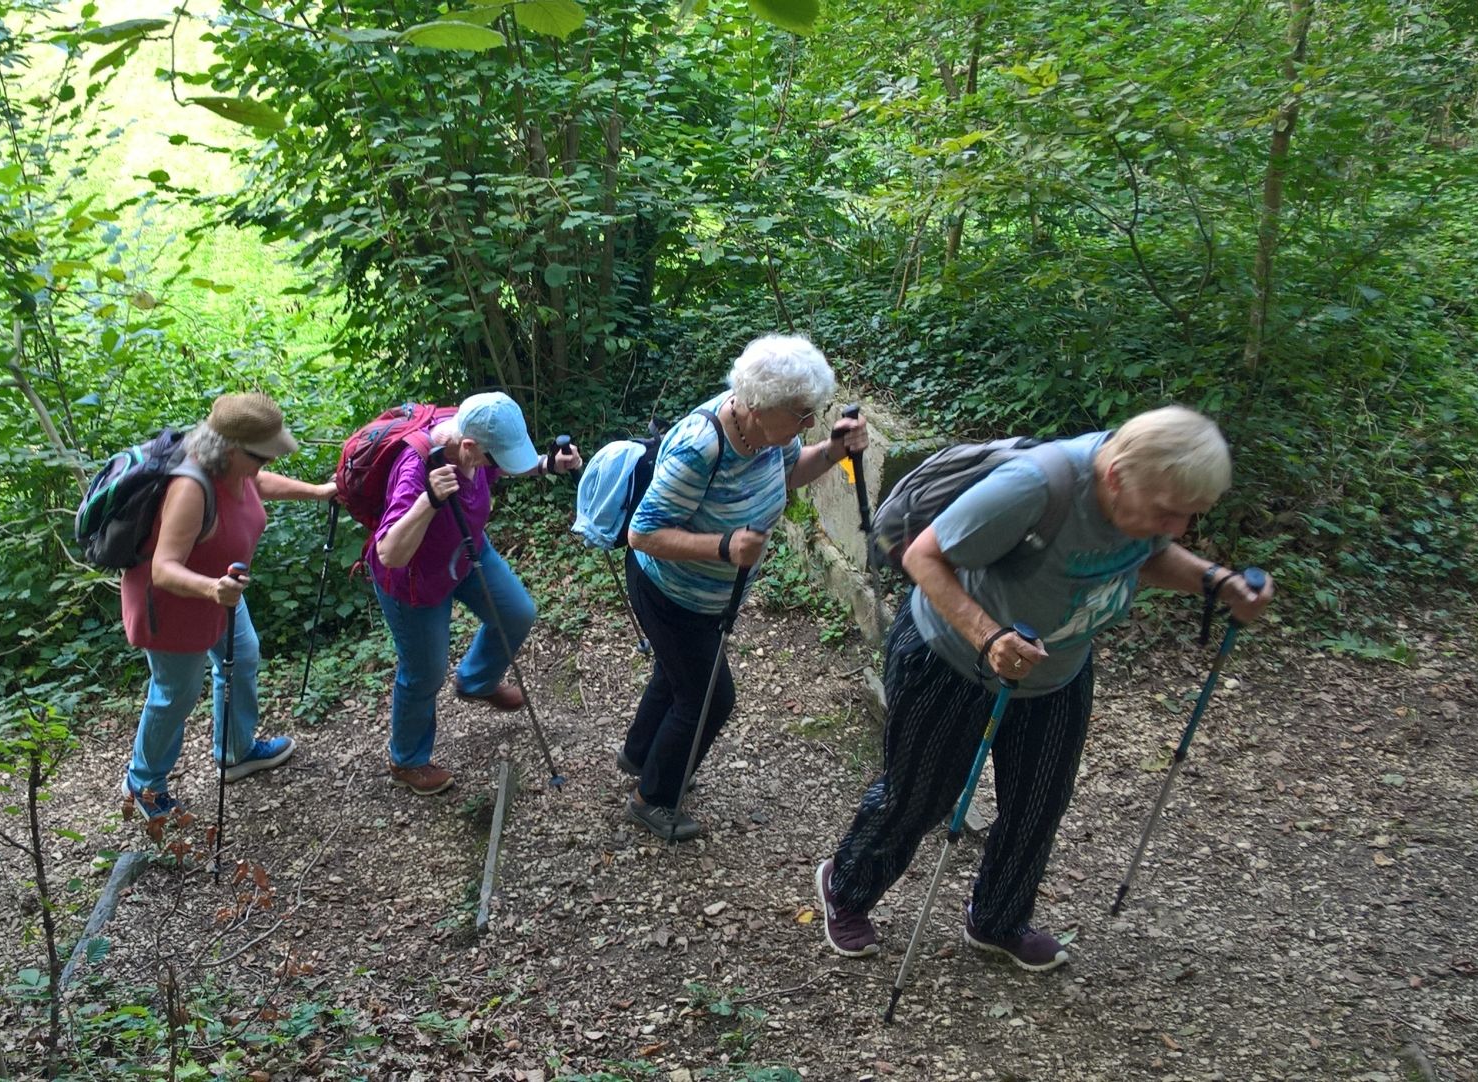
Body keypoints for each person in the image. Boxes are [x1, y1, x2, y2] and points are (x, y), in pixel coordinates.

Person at [814, 405, 1276, 971]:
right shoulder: (1034, 487)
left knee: (1038, 802)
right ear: (1114, 477)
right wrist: (988, 637)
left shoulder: (1142, 504)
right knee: (920, 796)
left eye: (1189, 517)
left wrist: (1215, 582)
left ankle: (998, 919)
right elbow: (923, 556)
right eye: (1168, 513)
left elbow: (1145, 555)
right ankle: (848, 886)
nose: (1177, 529)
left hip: (1057, 669)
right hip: (952, 658)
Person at [620, 334, 867, 841]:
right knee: (710, 697)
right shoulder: (700, 446)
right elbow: (642, 532)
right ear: (756, 405)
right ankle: (653, 798)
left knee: (677, 674)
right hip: (671, 593)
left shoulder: (772, 434)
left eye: (811, 415)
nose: (808, 424)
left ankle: (640, 755)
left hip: (708, 596)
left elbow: (791, 473)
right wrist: (725, 546)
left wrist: (833, 449)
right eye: (802, 415)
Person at [121, 394, 335, 830]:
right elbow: (162, 569)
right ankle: (144, 784)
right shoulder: (191, 486)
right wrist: (212, 589)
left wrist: (317, 492)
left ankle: (234, 752)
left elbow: (257, 484)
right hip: (176, 607)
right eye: (263, 454)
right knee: (174, 695)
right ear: (233, 449)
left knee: (243, 658)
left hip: (222, 596)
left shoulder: (233, 470)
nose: (267, 461)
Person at [368, 392, 581, 796]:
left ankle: (477, 681)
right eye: (491, 457)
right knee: (425, 673)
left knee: (517, 612)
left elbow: (503, 464)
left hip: (467, 552)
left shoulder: (476, 437)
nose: (495, 465)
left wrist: (546, 465)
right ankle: (407, 760)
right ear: (468, 448)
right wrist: (428, 500)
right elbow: (389, 553)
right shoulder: (416, 467)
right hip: (416, 580)